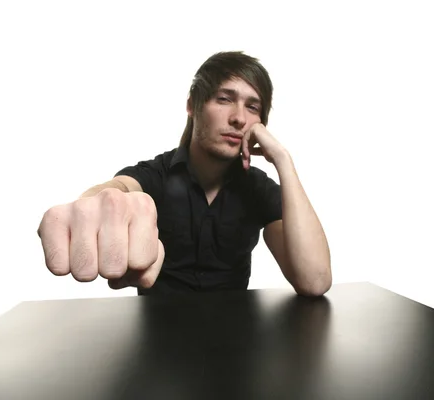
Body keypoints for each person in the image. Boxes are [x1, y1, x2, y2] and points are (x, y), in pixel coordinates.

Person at [37, 51, 332, 296]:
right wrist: (96, 205)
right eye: (224, 99)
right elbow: (116, 191)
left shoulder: (258, 189)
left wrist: (283, 160)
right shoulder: (156, 175)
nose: (239, 118)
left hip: (235, 342)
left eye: (252, 106)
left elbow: (314, 281)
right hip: (157, 342)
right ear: (193, 104)